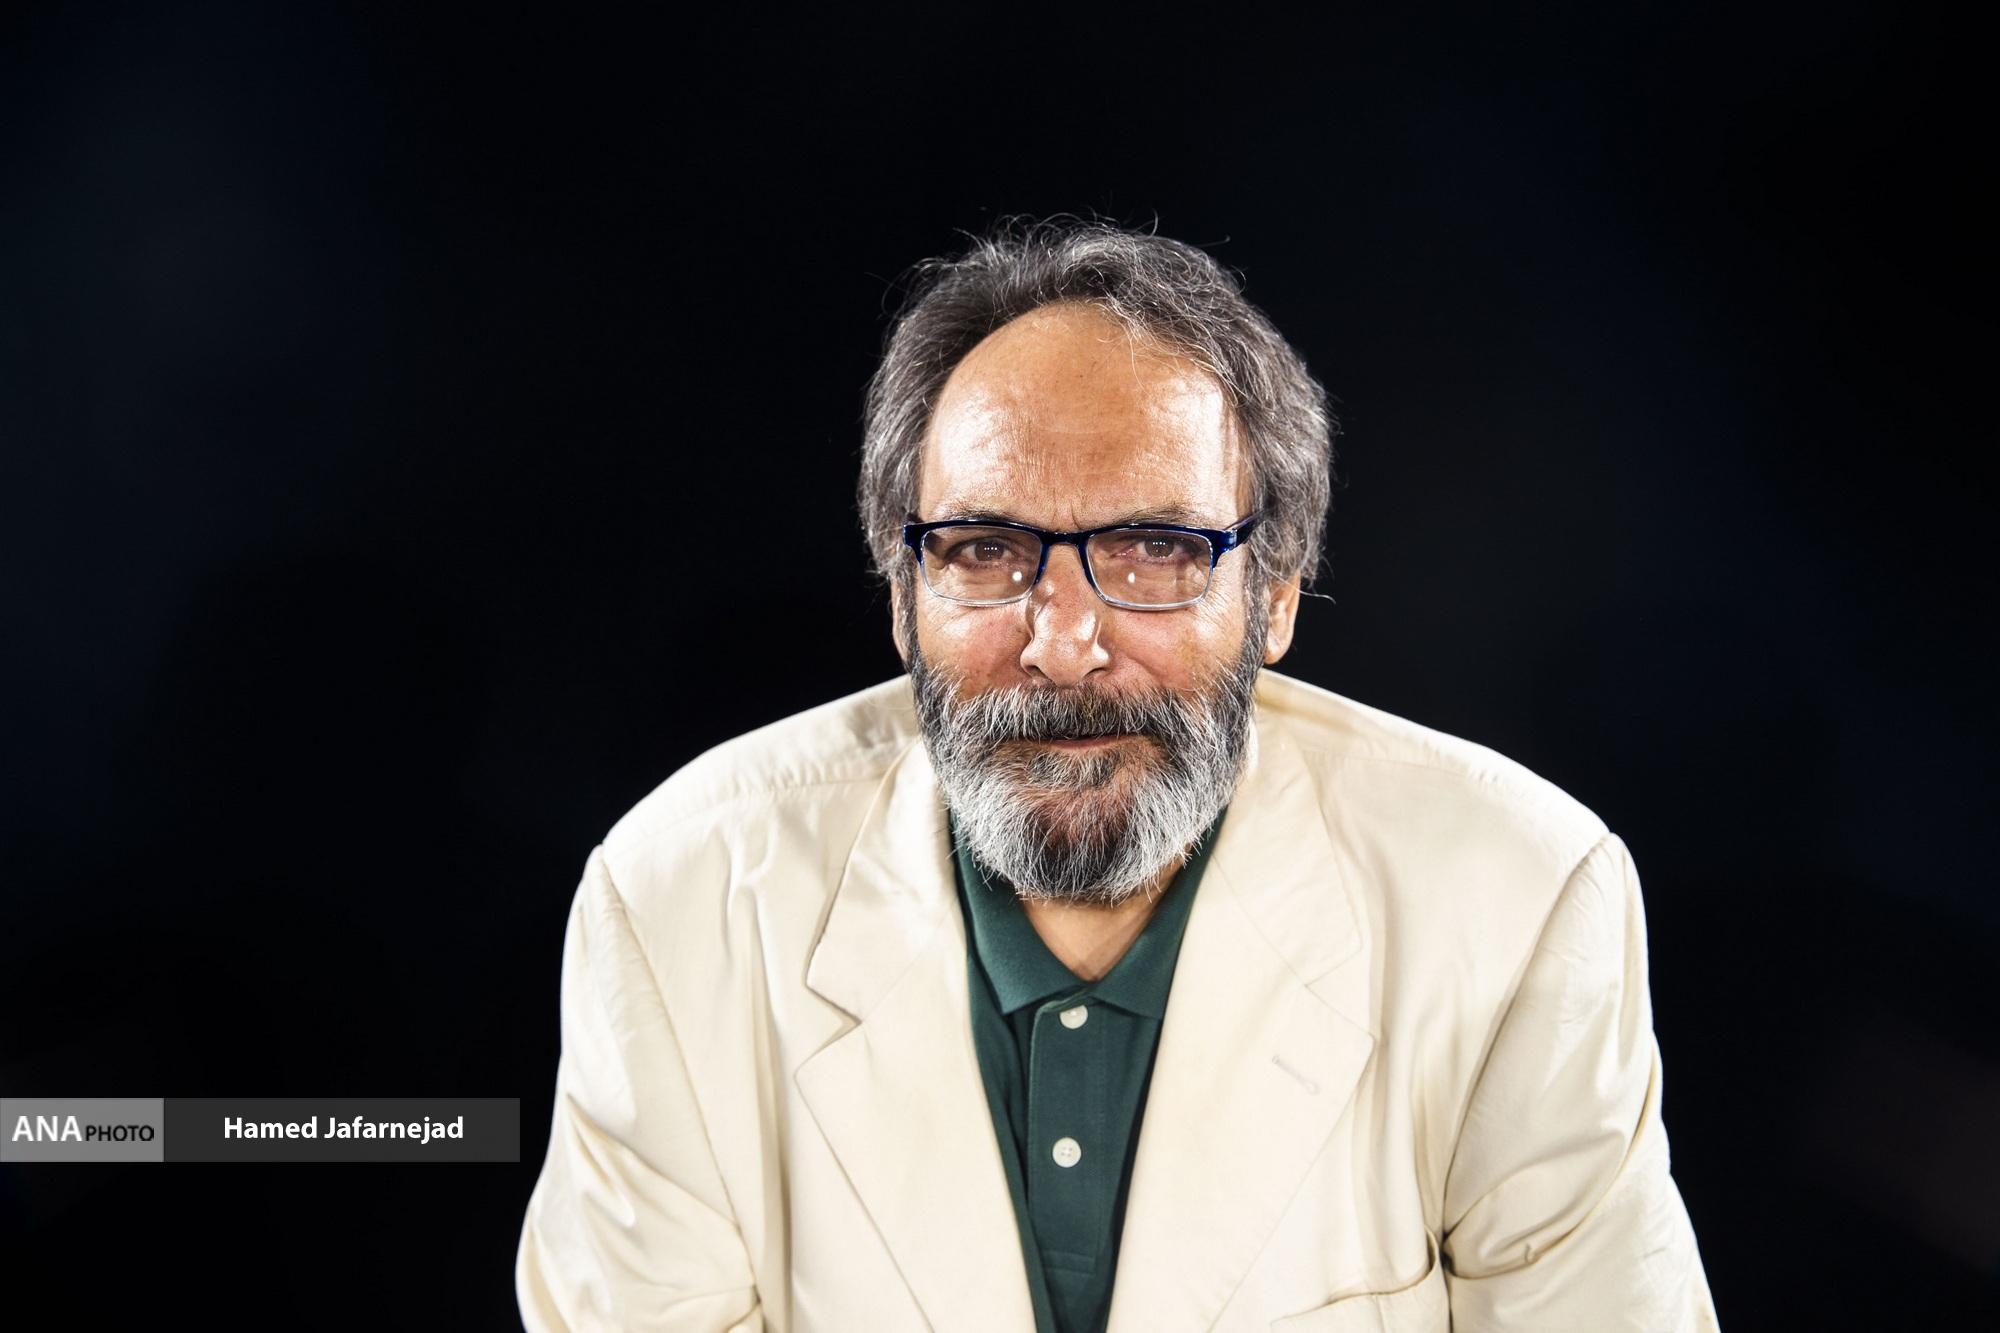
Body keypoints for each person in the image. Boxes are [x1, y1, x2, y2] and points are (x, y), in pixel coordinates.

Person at [515, 216, 1719, 1332]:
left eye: (1154, 548)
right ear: (901, 597)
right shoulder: (678, 902)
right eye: (984, 549)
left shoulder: (1515, 900)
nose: (1063, 643)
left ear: (1275, 593)